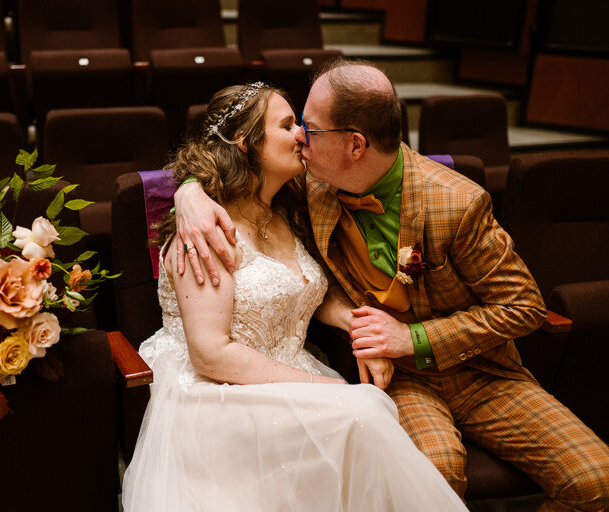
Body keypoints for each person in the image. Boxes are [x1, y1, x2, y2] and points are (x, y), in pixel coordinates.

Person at [173, 60, 609, 510]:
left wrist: (411, 337)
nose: (301, 137)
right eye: (295, 125)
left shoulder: (456, 202)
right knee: (435, 478)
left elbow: (524, 306)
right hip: (399, 378)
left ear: (355, 144)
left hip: (483, 372)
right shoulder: (309, 183)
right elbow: (231, 162)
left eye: (311, 128)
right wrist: (189, 193)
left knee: (598, 480)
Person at [122, 82, 467, 511]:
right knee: (363, 415)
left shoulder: (289, 207)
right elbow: (210, 354)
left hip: (285, 371)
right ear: (246, 143)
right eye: (287, 125)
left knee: (364, 418)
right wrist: (323, 386)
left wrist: (356, 325)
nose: (302, 135)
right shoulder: (206, 231)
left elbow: (301, 290)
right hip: (216, 393)